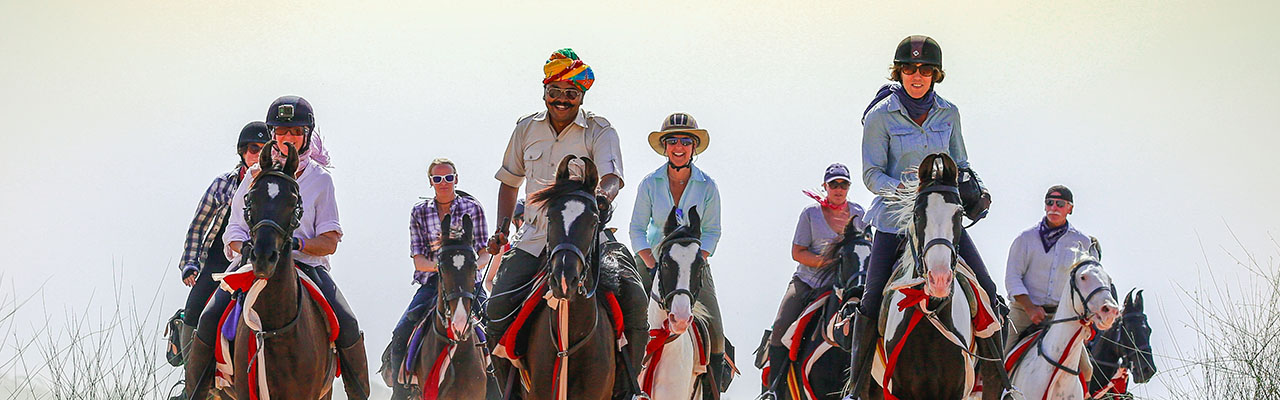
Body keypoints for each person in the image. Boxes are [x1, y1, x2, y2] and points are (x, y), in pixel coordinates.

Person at [483, 48, 648, 395]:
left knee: (634, 297)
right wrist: (501, 228)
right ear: (544, 92)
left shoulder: (600, 130)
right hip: (533, 239)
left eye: (570, 93)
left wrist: (603, 196)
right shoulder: (526, 128)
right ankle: (510, 391)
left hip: (585, 238)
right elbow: (509, 181)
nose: (561, 100)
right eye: (554, 92)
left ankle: (627, 388)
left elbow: (612, 176)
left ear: (581, 96)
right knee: (495, 310)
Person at [186, 96, 370, 399]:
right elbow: (233, 230)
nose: (288, 138)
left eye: (295, 131)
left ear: (306, 135)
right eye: (281, 132)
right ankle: (196, 392)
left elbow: (330, 240)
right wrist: (244, 247)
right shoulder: (254, 176)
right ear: (272, 134)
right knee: (208, 318)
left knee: (348, 323)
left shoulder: (320, 181)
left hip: (306, 266)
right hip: (253, 261)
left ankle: (358, 394)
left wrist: (298, 243)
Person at [848, 35, 999, 393]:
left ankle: (999, 383)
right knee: (870, 301)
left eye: (926, 69)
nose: (918, 75)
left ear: (936, 75)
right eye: (910, 69)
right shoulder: (879, 117)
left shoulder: (949, 113)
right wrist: (907, 192)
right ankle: (856, 387)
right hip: (894, 220)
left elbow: (960, 163)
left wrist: (974, 188)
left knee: (989, 291)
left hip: (942, 219)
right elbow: (871, 174)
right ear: (899, 73)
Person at [628, 112, 729, 388]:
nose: (679, 146)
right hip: (652, 261)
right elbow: (637, 229)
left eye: (686, 140)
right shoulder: (649, 184)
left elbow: (712, 232)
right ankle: (619, 384)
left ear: (694, 146)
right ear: (665, 147)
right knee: (622, 319)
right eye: (672, 140)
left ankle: (712, 391)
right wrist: (652, 263)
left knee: (716, 332)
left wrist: (695, 261)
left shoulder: (708, 186)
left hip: (692, 264)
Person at [172, 121, 270, 381]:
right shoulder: (222, 185)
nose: (257, 154)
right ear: (241, 151)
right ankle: (192, 381)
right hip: (218, 264)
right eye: (252, 148)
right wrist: (190, 264)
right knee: (194, 310)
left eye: (263, 148)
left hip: (260, 263)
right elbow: (198, 227)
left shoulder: (274, 186)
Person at [379, 157, 491, 378]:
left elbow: (484, 251)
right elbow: (419, 260)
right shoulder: (419, 211)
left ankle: (500, 387)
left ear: (456, 179)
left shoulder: (473, 207)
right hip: (432, 284)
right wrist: (444, 269)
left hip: (469, 284)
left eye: (448, 177)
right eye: (437, 178)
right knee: (402, 331)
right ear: (430, 182)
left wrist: (466, 270)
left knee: (494, 327)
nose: (443, 182)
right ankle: (400, 389)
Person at [760, 163, 866, 396]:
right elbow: (798, 252)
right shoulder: (810, 214)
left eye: (843, 184)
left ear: (849, 187)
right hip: (809, 283)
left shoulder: (860, 214)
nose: (838, 189)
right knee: (780, 325)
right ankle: (774, 389)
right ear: (825, 186)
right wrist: (829, 263)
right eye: (834, 184)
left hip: (845, 287)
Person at [1005, 185, 1096, 341]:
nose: (1054, 207)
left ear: (1070, 209)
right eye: (1049, 202)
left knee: (1086, 366)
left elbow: (1089, 280)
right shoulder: (1025, 238)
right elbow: (1013, 277)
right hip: (1023, 313)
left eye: (1060, 204)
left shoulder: (1082, 242)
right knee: (1000, 359)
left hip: (1063, 316)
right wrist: (1030, 308)